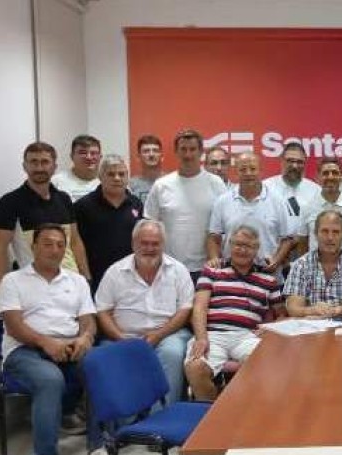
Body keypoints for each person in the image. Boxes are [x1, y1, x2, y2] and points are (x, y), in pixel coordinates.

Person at [0, 224, 109, 455]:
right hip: (25, 350)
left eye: (60, 244)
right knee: (50, 379)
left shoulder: (77, 281)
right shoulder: (13, 280)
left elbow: (88, 321)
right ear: (33, 247)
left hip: (70, 347)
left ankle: (98, 448)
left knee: (99, 367)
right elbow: (13, 326)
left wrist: (84, 339)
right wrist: (46, 343)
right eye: (47, 243)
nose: (55, 249)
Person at [94, 220, 195, 407]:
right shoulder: (115, 272)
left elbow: (185, 309)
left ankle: (161, 418)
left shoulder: (178, 270)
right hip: (123, 336)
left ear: (163, 245)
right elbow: (102, 311)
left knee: (173, 353)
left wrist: (159, 334)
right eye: (144, 243)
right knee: (105, 357)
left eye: (155, 243)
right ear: (133, 244)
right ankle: (125, 421)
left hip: (167, 334)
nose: (149, 248)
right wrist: (121, 338)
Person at [185, 225, 286, 401]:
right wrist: (201, 338)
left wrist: (271, 328)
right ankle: (212, 417)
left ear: (256, 250)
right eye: (238, 244)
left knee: (272, 364)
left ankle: (250, 414)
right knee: (195, 368)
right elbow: (199, 307)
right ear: (229, 245)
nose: (242, 249)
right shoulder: (212, 270)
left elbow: (282, 315)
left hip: (246, 336)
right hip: (212, 334)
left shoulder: (268, 279)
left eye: (248, 246)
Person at [0, 141, 90, 299]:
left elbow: (75, 242)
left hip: (71, 286)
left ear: (54, 167)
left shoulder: (64, 199)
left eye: (44, 162)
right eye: (33, 162)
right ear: (25, 166)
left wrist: (86, 278)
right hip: (34, 288)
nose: (39, 168)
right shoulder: (9, 202)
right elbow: (0, 249)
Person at [144, 129, 227, 280]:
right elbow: (150, 227)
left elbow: (225, 225)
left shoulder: (216, 183)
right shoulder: (161, 185)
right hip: (168, 268)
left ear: (201, 152)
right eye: (183, 149)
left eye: (193, 149)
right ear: (176, 151)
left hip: (208, 268)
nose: (188, 154)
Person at [207, 151, 294, 276]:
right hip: (231, 276)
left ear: (261, 171)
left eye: (253, 169)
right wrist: (214, 258)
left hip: (267, 275)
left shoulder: (277, 200)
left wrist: (277, 260)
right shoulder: (223, 201)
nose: (248, 173)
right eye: (243, 169)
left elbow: (287, 239)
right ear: (236, 171)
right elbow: (213, 237)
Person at [74, 154, 143, 293]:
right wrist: (86, 276)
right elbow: (76, 244)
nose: (117, 178)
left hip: (130, 278)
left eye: (121, 174)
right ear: (100, 177)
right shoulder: (83, 206)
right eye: (111, 174)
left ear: (127, 176)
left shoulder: (136, 203)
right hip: (96, 278)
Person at [284, 210, 342, 319]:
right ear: (315, 233)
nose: (330, 237)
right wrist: (312, 310)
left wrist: (334, 311)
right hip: (310, 327)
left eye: (336, 232)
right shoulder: (300, 265)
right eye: (324, 231)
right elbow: (293, 308)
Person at [296, 157, 342, 259]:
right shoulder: (307, 208)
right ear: (317, 177)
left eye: (334, 173)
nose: (330, 177)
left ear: (341, 176)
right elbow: (302, 244)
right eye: (325, 173)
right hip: (314, 272)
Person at [262, 142, 321, 222]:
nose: (294, 166)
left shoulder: (316, 190)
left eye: (299, 162)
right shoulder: (265, 188)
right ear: (281, 160)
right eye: (290, 161)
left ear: (305, 163)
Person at [51, 135, 102, 202]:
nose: (89, 157)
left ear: (100, 157)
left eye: (93, 153)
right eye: (83, 153)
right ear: (72, 156)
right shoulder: (56, 182)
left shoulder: (108, 182)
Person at [128, 134, 163, 203]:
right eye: (146, 151)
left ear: (161, 156)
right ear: (138, 157)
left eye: (155, 150)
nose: (151, 154)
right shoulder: (130, 186)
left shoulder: (171, 182)